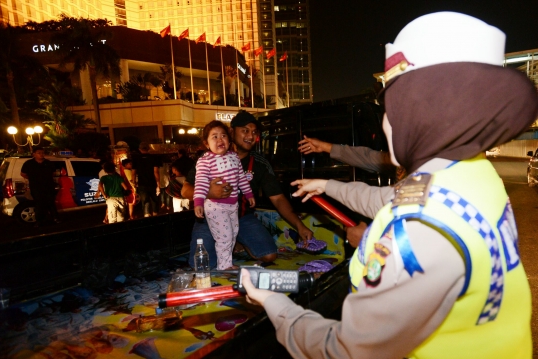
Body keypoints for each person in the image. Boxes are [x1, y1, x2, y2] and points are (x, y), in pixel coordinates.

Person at [241, 12, 537, 358]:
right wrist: (328, 185)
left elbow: (348, 350)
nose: (384, 123)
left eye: (391, 108)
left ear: (420, 115)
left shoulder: (417, 234)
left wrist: (274, 304)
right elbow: (393, 199)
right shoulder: (472, 174)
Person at [183, 110, 313, 268]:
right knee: (201, 264)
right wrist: (209, 193)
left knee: (269, 254)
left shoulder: (259, 163)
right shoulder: (207, 159)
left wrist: (300, 226)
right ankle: (229, 244)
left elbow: (278, 198)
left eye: (254, 132)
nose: (251, 136)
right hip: (210, 217)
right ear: (232, 132)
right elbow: (185, 191)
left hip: (241, 217)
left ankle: (238, 240)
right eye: (245, 130)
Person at [298, 136, 395, 247]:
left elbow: (385, 201)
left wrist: (372, 238)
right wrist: (326, 147)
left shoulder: (416, 174)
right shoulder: (408, 158)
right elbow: (371, 158)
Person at [193, 120, 255, 270]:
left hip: (233, 205)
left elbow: (241, 177)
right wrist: (198, 202)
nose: (220, 140)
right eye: (214, 137)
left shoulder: (234, 158)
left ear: (229, 139)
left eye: (223, 136)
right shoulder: (205, 161)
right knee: (225, 237)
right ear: (206, 144)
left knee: (233, 234)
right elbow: (200, 183)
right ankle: (224, 266)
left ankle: (227, 261)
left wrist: (249, 193)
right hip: (215, 206)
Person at [20, 146, 60, 228]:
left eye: (42, 153)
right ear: (34, 154)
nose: (41, 154)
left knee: (51, 203)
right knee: (39, 205)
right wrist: (33, 179)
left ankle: (55, 218)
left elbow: (53, 173)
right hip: (36, 188)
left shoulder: (48, 163)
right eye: (39, 153)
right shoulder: (28, 163)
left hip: (49, 187)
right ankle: (39, 221)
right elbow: (23, 174)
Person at [132, 142, 161, 217]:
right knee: (155, 201)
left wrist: (134, 183)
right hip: (153, 183)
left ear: (139, 149)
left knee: (145, 202)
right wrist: (158, 185)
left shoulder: (136, 159)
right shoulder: (154, 158)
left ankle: (147, 216)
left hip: (142, 184)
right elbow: (156, 172)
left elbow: (133, 173)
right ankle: (156, 215)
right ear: (148, 149)